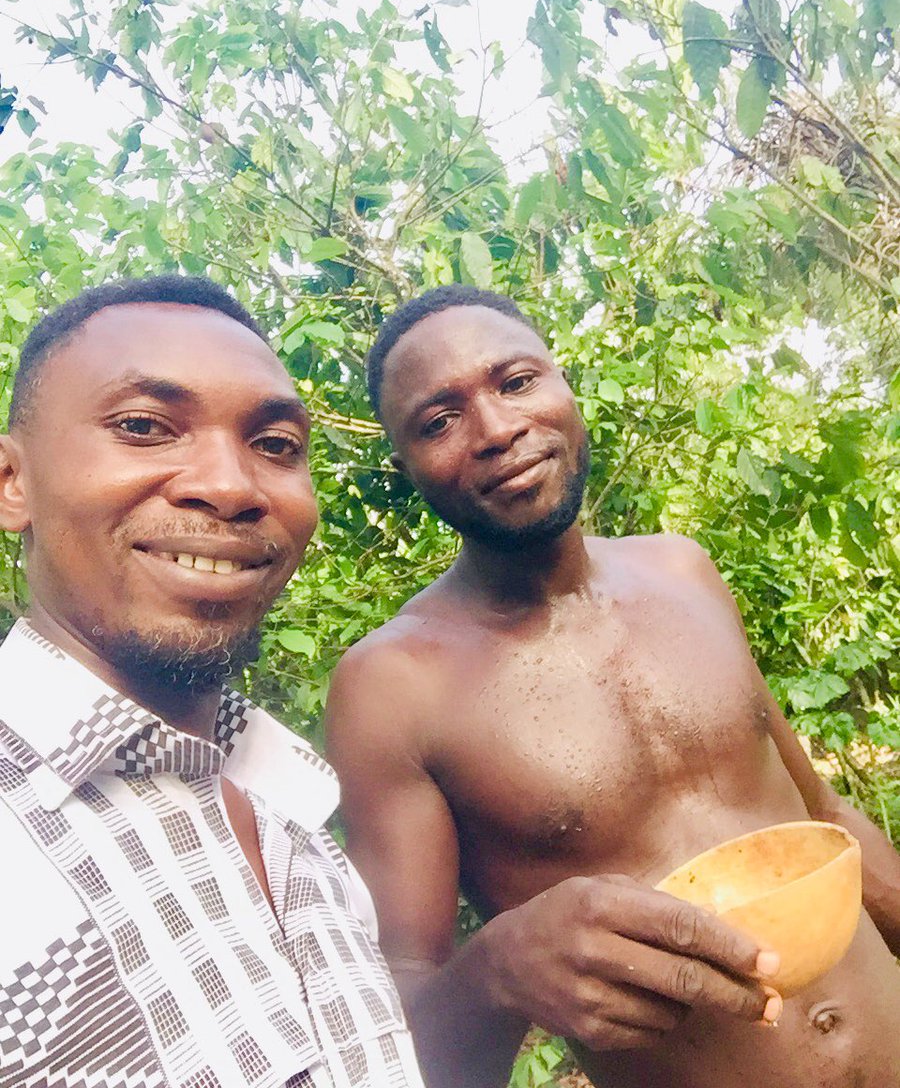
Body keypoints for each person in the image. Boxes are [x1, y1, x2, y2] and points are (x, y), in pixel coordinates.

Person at [325, 284, 900, 1088]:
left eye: (517, 381)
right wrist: (500, 967)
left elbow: (825, 817)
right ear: (405, 464)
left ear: (564, 384)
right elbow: (396, 1033)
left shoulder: (683, 570)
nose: (497, 429)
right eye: (439, 420)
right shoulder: (392, 688)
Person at [0, 276, 426, 1088]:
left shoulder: (296, 817)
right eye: (144, 427)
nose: (231, 487)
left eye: (275, 445)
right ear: (12, 483)